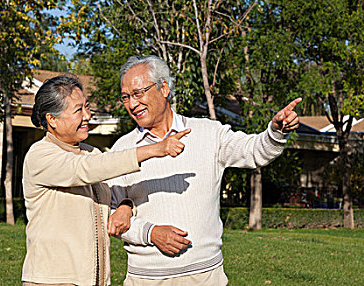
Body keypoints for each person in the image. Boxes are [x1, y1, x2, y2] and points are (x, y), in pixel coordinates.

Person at [107, 55, 302, 285]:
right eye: (125, 97)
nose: (132, 104)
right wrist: (151, 233)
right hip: (146, 279)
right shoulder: (122, 150)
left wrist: (276, 132)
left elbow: (254, 151)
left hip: (206, 276)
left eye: (138, 93)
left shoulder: (208, 134)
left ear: (164, 88)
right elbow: (110, 217)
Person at [21, 75, 190, 286]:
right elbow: (86, 170)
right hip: (53, 280)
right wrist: (155, 149)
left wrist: (126, 206)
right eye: (78, 110)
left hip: (93, 280)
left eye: (87, 107)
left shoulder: (91, 153)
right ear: (52, 120)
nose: (87, 116)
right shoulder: (40, 156)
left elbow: (109, 194)